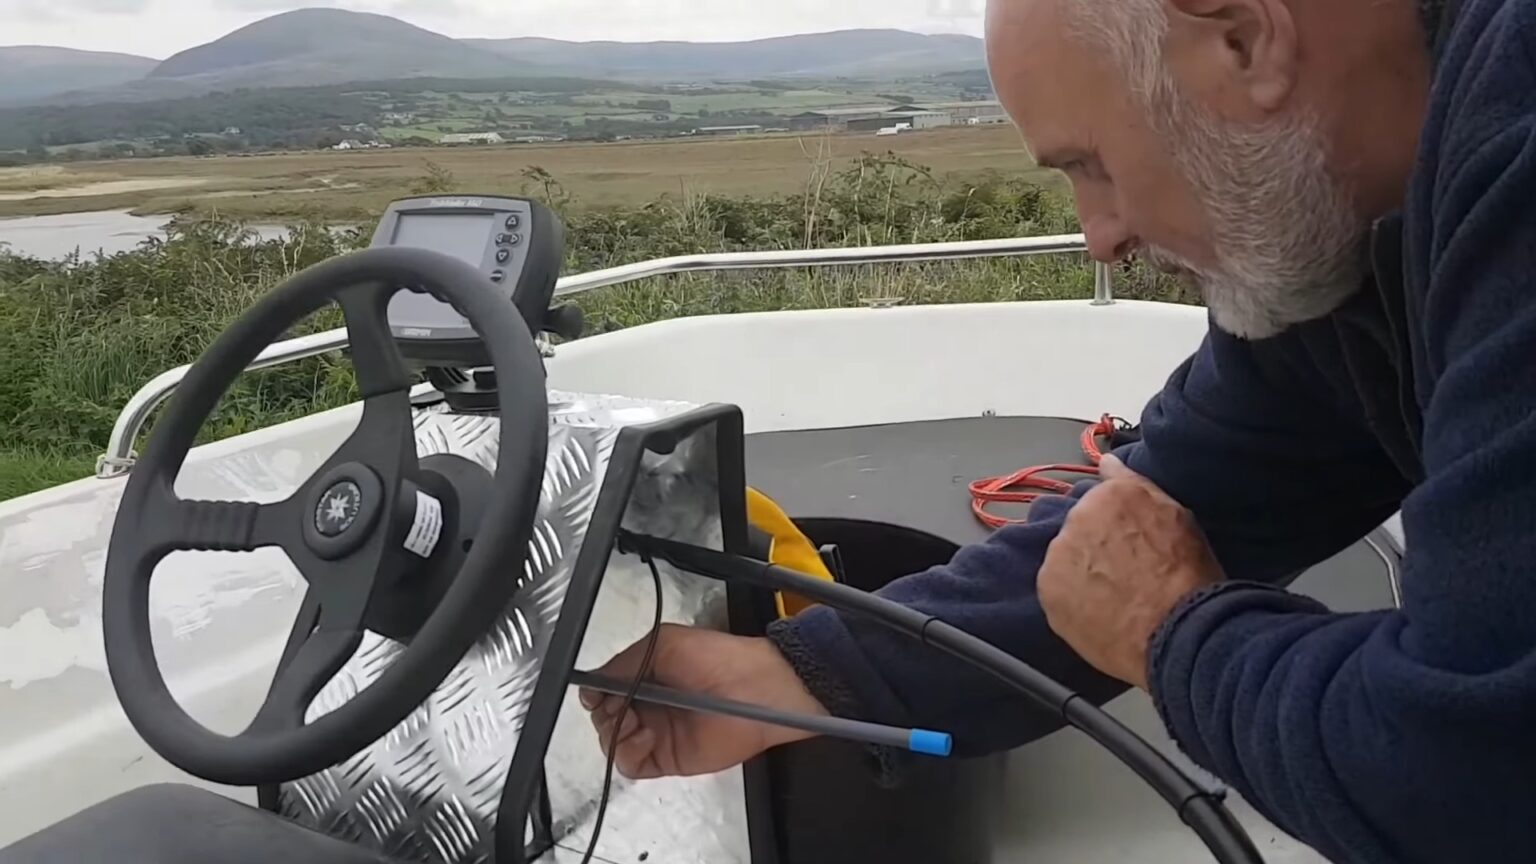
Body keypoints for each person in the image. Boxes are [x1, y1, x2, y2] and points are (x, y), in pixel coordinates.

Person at [581, 0, 1536, 861]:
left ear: (1244, 37)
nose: (1098, 235)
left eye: (1091, 164)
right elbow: (1159, 508)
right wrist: (793, 675)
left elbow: (1474, 767)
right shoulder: (1338, 242)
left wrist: (1177, 633)